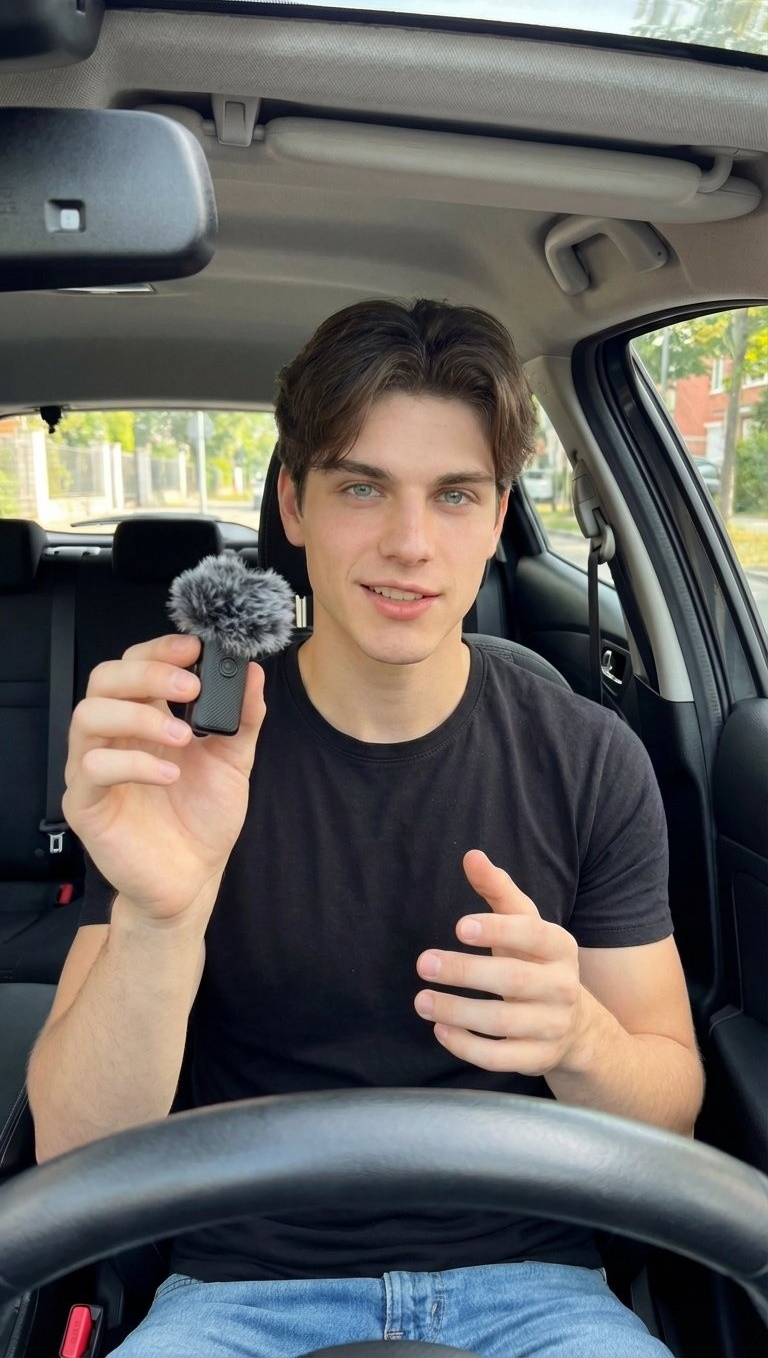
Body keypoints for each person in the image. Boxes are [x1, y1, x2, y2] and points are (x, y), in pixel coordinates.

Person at [27, 299, 704, 1358]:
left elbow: (672, 1116)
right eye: (361, 486)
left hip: (537, 1291)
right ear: (293, 503)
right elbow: (74, 1151)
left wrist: (583, 1038)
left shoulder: (591, 759)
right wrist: (163, 915)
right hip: (237, 1290)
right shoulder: (184, 757)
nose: (409, 544)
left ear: (496, 518)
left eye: (455, 495)